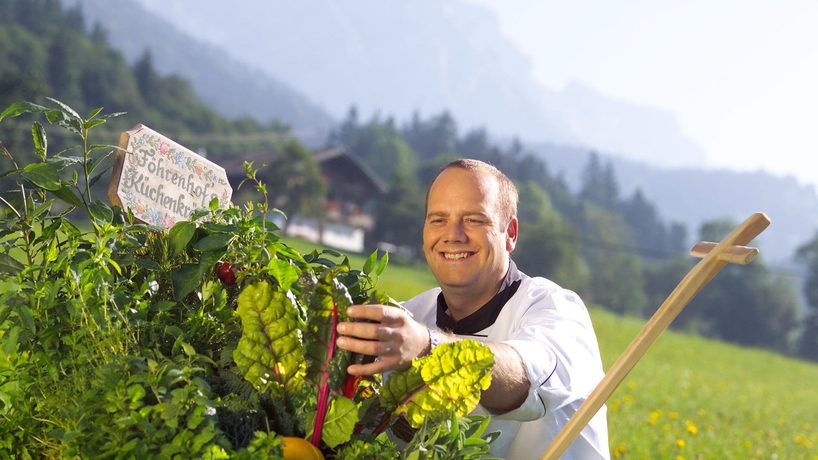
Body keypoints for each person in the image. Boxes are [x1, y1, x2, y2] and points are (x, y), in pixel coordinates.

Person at [336, 159, 609, 459]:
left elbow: (527, 376)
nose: (453, 234)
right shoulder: (411, 317)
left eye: (474, 220)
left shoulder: (557, 310)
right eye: (438, 219)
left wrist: (429, 349)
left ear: (510, 233)